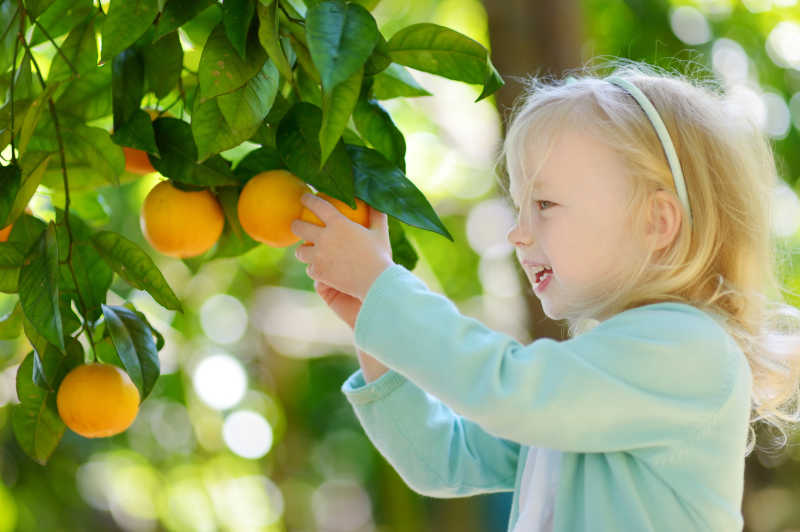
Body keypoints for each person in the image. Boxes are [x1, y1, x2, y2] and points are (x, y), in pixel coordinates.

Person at [290, 59, 800, 531]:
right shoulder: (599, 377)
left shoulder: (689, 349)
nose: (517, 232)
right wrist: (373, 323)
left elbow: (504, 389)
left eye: (545, 204)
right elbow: (443, 458)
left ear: (656, 221)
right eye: (518, 207)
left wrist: (385, 288)